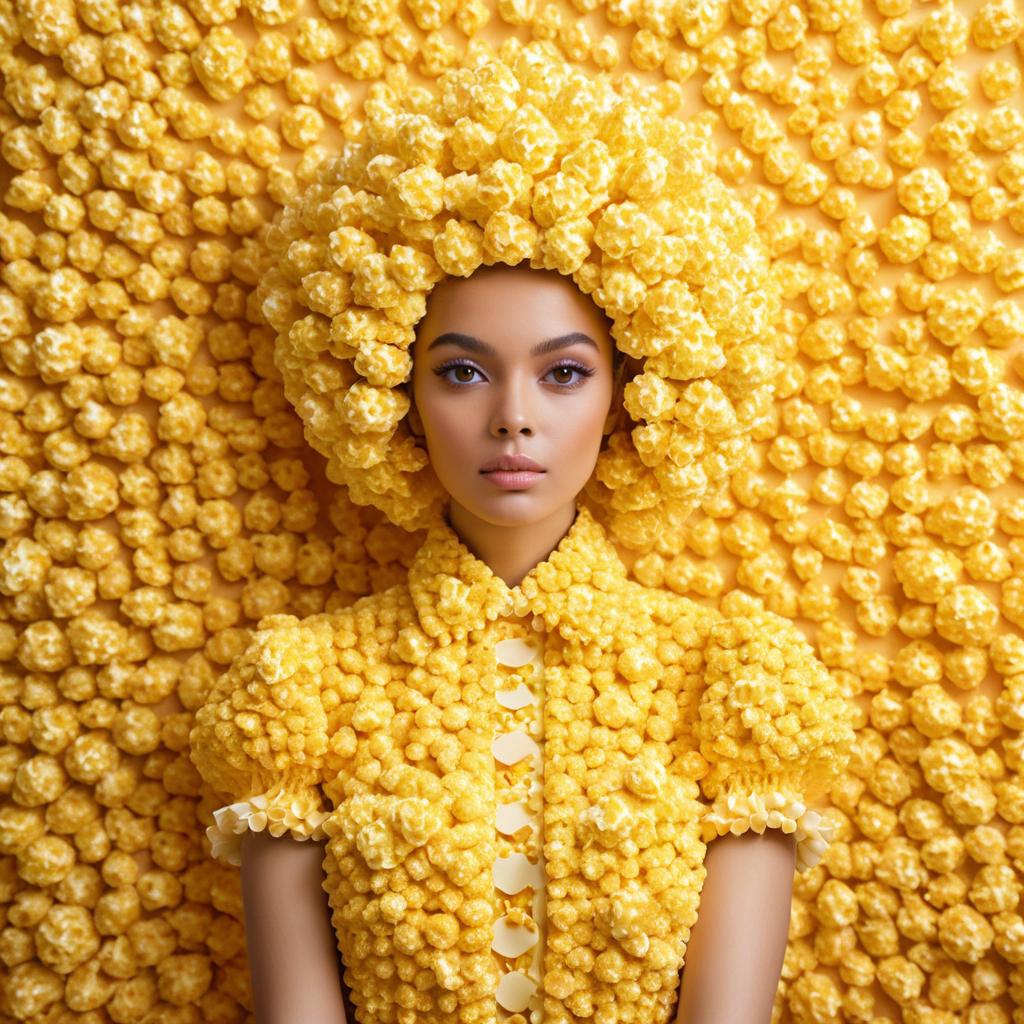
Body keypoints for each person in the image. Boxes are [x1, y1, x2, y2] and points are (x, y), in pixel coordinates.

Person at [189, 41, 855, 1024]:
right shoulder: (304, 688)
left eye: (563, 371)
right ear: (391, 392)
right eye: (462, 371)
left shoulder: (727, 681)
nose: (512, 416)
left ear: (633, 391)